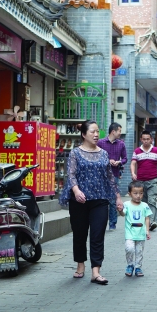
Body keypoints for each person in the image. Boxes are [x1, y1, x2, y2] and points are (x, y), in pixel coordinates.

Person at [59, 120, 124, 285]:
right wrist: (76, 190)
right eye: (92, 132)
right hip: (79, 201)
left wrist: (117, 196)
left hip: (100, 200)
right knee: (80, 235)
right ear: (84, 134)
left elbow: (110, 177)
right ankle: (80, 265)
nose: (96, 135)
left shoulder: (103, 153)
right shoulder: (75, 153)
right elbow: (71, 175)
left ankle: (96, 271)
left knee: (97, 235)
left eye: (97, 132)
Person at [130, 130, 157, 232]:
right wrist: (133, 173)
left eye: (148, 139)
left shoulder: (156, 150)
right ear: (141, 139)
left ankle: (152, 221)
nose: (146, 141)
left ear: (151, 140)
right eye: (144, 139)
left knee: (152, 201)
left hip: (152, 180)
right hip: (140, 182)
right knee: (143, 202)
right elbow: (133, 163)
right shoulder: (137, 151)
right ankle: (145, 221)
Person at [97, 122, 127, 231]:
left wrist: (118, 162)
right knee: (102, 199)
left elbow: (125, 159)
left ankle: (113, 224)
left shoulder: (121, 144)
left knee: (114, 199)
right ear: (113, 131)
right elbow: (96, 156)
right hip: (101, 175)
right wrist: (108, 160)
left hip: (114, 174)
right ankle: (102, 223)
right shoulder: (100, 143)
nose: (120, 133)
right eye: (119, 131)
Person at [119, 180, 152, 277]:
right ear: (129, 194)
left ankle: (138, 267)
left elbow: (147, 218)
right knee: (129, 249)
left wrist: (147, 231)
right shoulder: (127, 204)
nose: (138, 196)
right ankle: (130, 265)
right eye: (135, 193)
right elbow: (123, 214)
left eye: (141, 193)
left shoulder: (144, 206)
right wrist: (120, 210)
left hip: (141, 234)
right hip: (130, 233)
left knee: (139, 251)